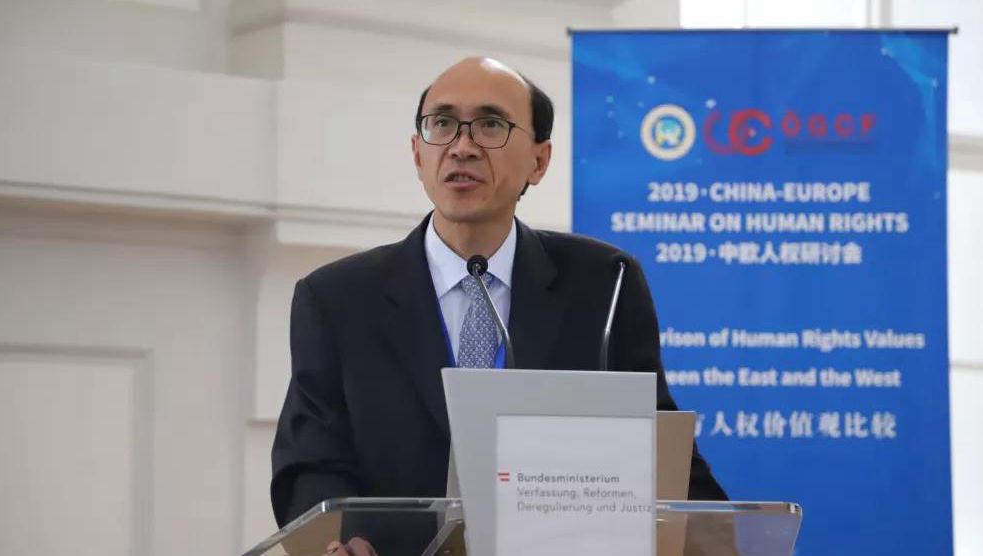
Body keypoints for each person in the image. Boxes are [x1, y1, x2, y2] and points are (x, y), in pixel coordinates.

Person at [270, 57, 727, 540]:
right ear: (418, 154)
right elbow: (309, 466)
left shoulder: (605, 285)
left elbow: (657, 451)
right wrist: (335, 545)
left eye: (490, 125)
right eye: (442, 124)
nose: (461, 146)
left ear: (539, 161)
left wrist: (721, 537)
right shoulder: (338, 299)